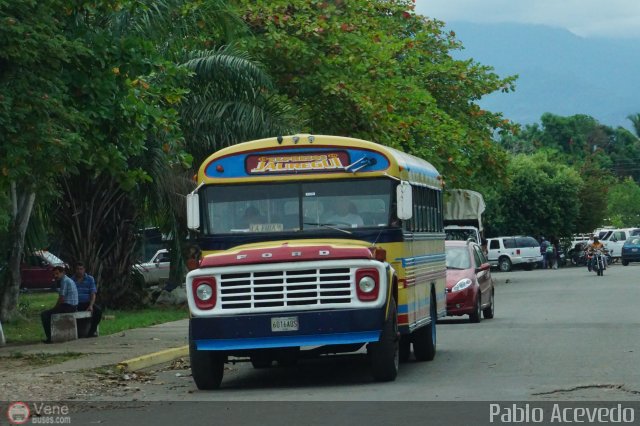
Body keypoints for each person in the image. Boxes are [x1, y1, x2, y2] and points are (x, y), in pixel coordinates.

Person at [41, 265, 78, 343]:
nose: (55, 276)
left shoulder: (64, 281)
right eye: (54, 274)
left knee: (45, 315)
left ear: (63, 273)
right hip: (73, 306)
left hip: (68, 306)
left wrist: (54, 308)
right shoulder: (68, 280)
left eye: (57, 274)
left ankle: (50, 338)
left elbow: (61, 298)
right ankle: (51, 336)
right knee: (49, 313)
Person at [72, 262, 102, 337]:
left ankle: (92, 332)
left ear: (84, 270)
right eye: (77, 269)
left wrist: (91, 305)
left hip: (87, 303)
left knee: (98, 311)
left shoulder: (90, 279)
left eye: (81, 269)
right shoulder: (71, 280)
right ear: (75, 270)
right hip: (76, 303)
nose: (79, 271)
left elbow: (93, 293)